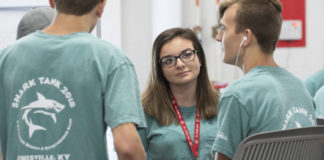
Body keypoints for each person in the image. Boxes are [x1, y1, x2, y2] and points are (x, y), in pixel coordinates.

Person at [0, 0, 146, 159]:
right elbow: (127, 147)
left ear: (51, 2)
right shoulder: (111, 60)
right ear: (102, 6)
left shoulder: (5, 59)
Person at [211, 0, 316, 159]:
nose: (218, 37)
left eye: (223, 29)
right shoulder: (301, 89)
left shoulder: (237, 95)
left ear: (245, 37)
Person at [138, 28, 220, 160]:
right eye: (169, 60)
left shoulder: (222, 106)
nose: (180, 64)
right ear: (160, 70)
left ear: (200, 60)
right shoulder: (145, 110)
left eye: (187, 55)